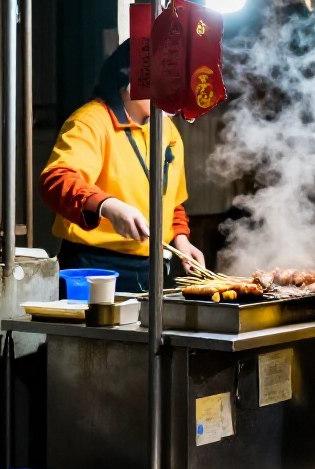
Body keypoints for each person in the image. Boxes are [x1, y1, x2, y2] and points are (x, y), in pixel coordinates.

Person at [39, 41, 204, 292]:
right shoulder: (91, 121)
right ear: (131, 76)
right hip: (94, 265)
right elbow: (57, 179)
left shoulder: (167, 130)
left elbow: (172, 202)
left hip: (152, 267)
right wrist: (108, 206)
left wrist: (181, 239)